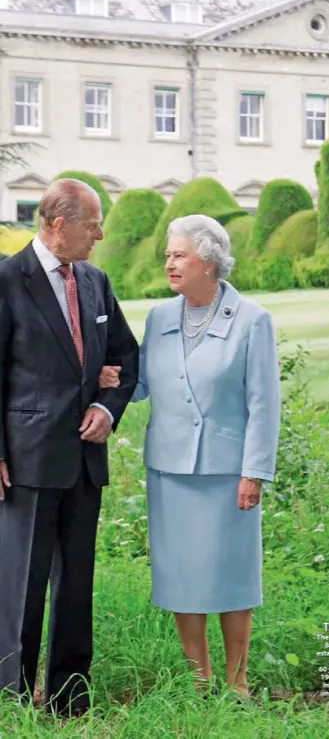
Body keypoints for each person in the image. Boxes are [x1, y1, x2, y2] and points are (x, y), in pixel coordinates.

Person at [100, 214, 280, 699]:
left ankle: (237, 681)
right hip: (170, 470)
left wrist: (254, 472)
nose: (169, 263)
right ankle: (197, 680)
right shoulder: (159, 317)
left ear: (208, 261)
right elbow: (145, 384)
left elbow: (264, 402)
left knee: (232, 575)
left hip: (227, 473)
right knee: (181, 575)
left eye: (178, 254)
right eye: (167, 255)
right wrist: (111, 382)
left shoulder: (253, 320)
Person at [0, 178, 139, 717]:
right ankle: (10, 697)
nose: (100, 235)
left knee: (76, 587)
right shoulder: (8, 279)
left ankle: (68, 698)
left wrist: (105, 405)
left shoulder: (96, 281)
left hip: (84, 461)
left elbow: (126, 357)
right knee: (21, 588)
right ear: (59, 224)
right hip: (26, 461)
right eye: (92, 224)